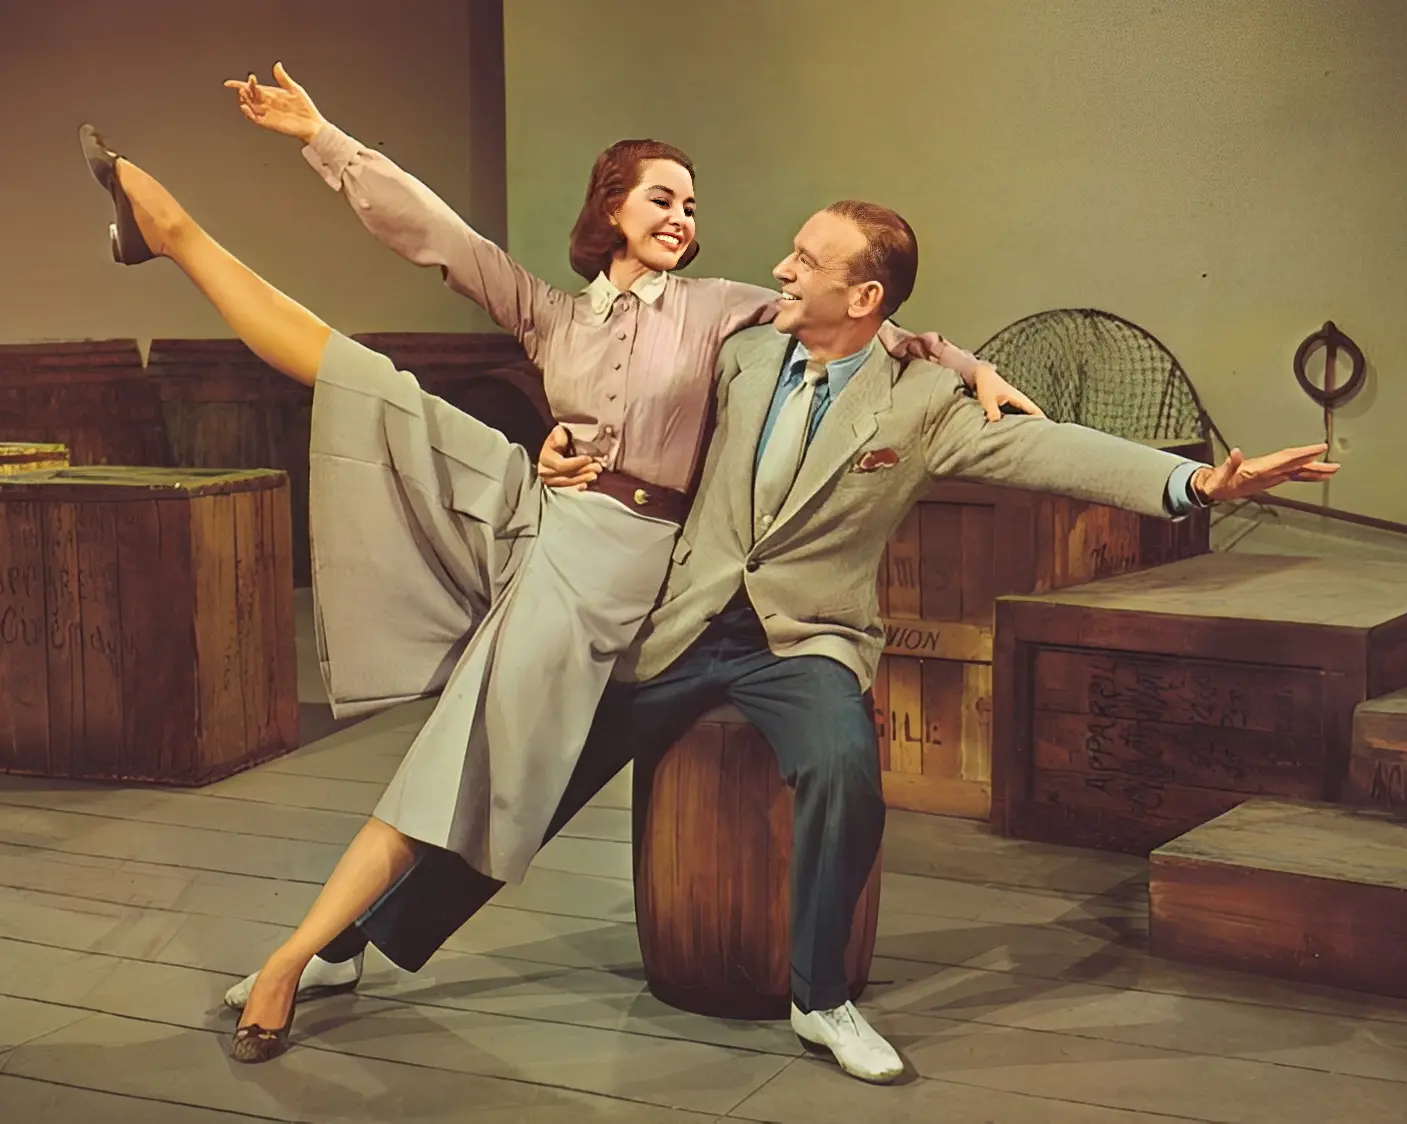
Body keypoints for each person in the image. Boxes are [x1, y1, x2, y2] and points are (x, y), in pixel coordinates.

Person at [227, 199, 1338, 1083]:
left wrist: (1196, 480)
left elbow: (1052, 455)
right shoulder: (745, 355)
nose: (782, 267)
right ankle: (350, 942)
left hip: (804, 643)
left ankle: (821, 996)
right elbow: (629, 393)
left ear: (862, 295)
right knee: (537, 760)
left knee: (845, 764)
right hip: (684, 623)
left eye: (807, 260)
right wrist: (559, 445)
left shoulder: (923, 406)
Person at [79, 71, 1036, 1064]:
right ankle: (178, 234)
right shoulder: (552, 314)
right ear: (610, 208)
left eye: (692, 202)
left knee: (481, 761)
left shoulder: (721, 310)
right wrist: (321, 135)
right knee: (363, 380)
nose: (682, 213)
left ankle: (311, 951)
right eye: (660, 195)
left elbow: (867, 326)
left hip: (624, 565)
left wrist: (966, 365)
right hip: (539, 517)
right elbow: (436, 238)